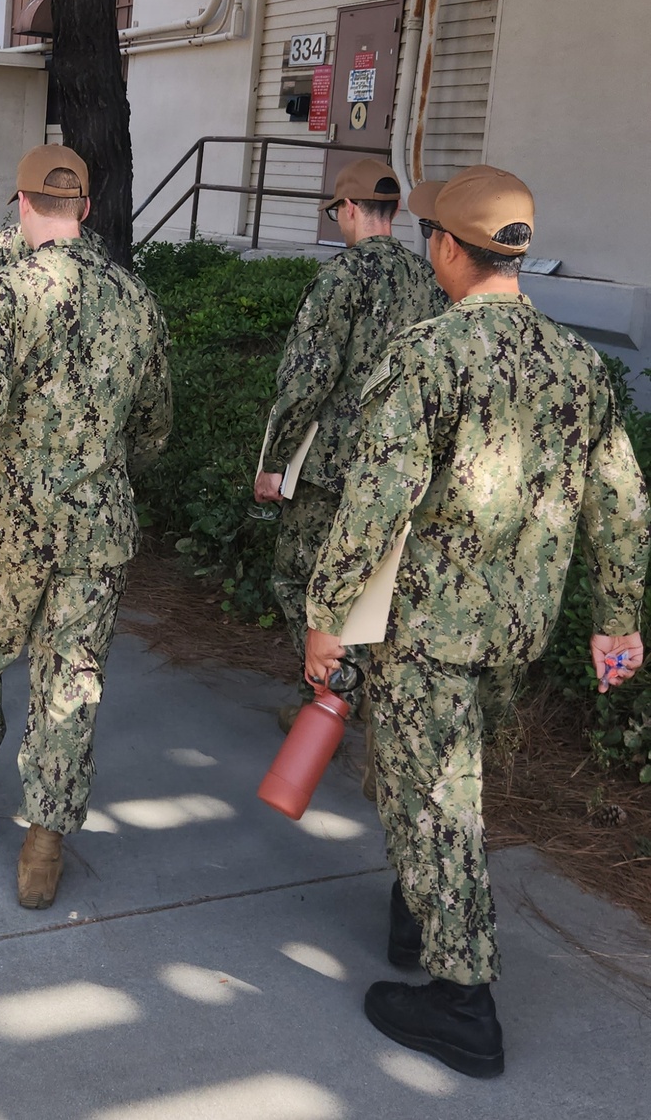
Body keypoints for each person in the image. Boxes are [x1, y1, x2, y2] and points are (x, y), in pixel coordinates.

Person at [303, 165, 649, 1079]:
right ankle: (419, 912)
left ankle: (464, 1004)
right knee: (453, 787)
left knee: (438, 799)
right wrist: (617, 619)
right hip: (514, 629)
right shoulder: (579, 364)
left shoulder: (427, 356)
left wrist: (327, 617)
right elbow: (622, 505)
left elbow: (374, 506)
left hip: (426, 629)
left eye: (431, 238)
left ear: (449, 248)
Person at [0, 144, 172, 911]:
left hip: (4, 526)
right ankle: (43, 849)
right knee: (71, 684)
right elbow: (156, 426)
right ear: (85, 210)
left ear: (21, 205)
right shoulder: (135, 300)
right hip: (95, 531)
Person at [254, 158, 447, 738]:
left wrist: (272, 462)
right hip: (399, 469)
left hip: (329, 468)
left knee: (300, 582)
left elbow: (306, 378)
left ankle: (334, 697)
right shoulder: (429, 278)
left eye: (338, 209)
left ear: (352, 209)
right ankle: (362, 700)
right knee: (371, 587)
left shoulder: (340, 278)